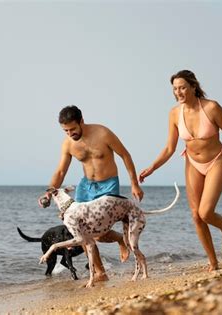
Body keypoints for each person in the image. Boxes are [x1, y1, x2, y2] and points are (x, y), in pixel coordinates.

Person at [139, 70, 222, 271]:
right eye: (175, 88)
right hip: (192, 163)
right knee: (195, 215)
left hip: (216, 161)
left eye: (182, 87)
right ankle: (213, 262)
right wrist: (152, 168)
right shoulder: (175, 113)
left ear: (193, 86)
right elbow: (169, 148)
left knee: (206, 212)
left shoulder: (212, 108)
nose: (178, 92)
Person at [39, 105, 144, 281]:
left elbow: (125, 155)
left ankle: (120, 239)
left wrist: (134, 184)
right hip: (85, 187)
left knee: (101, 233)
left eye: (72, 128)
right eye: (65, 130)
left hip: (108, 185)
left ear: (81, 121)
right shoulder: (68, 143)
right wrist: (48, 193)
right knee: (81, 233)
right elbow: (60, 172)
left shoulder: (103, 133)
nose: (70, 133)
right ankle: (100, 273)